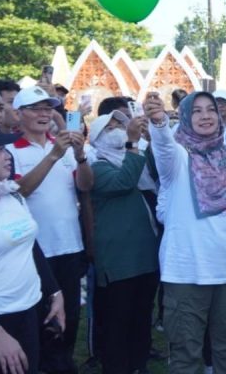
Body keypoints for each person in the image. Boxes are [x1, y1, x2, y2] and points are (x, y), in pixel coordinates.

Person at [146, 91, 226, 374]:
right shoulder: (178, 159)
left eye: (210, 109)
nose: (205, 116)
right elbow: (163, 148)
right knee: (186, 354)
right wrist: (159, 123)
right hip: (186, 273)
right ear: (185, 117)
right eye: (196, 111)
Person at [6, 86, 91, 374]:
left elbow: (85, 186)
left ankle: (64, 366)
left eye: (48, 108)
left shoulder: (63, 146)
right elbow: (20, 191)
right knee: (43, 323)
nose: (44, 114)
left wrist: (80, 156)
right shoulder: (9, 150)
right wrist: (53, 155)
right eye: (36, 109)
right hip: (35, 252)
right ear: (19, 114)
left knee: (70, 319)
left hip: (70, 246)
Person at [0, 121, 65, 374]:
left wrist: (54, 291)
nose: (8, 156)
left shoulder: (9, 193)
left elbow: (30, 245)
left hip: (28, 311)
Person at [87, 110, 159, 374]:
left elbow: (157, 170)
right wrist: (132, 142)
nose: (118, 128)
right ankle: (117, 366)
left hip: (144, 254)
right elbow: (124, 182)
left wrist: (152, 140)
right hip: (118, 258)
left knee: (141, 314)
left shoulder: (134, 157)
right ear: (97, 138)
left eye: (121, 124)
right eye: (111, 127)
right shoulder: (97, 167)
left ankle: (139, 364)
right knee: (118, 317)